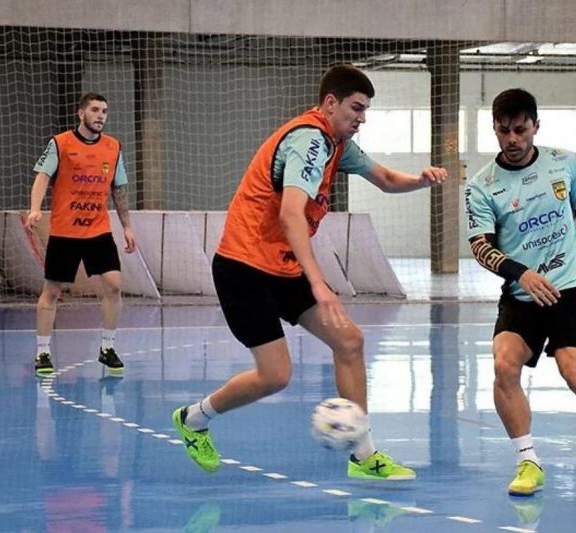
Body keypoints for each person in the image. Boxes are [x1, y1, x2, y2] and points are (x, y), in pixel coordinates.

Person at [171, 64, 447, 480]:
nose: (362, 118)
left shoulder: (338, 144)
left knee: (349, 342)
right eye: (356, 108)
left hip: (282, 266)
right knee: (275, 375)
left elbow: (387, 179)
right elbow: (290, 214)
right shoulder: (309, 141)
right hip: (244, 267)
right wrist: (318, 281)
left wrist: (420, 180)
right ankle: (194, 419)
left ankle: (364, 457)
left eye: (366, 110)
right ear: (331, 103)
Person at [464, 88, 576, 503]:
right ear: (495, 129)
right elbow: (481, 247)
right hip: (521, 292)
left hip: (570, 287)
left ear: (535, 126)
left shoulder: (563, 163)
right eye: (504, 131)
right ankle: (528, 462)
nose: (512, 139)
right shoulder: (481, 186)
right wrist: (521, 274)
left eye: (520, 130)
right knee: (504, 365)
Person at [27, 92, 137, 376]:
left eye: (104, 111)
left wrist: (126, 226)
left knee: (114, 285)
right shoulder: (60, 143)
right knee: (52, 291)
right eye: (95, 110)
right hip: (65, 231)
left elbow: (118, 189)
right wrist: (35, 209)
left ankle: (107, 348)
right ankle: (42, 352)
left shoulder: (113, 147)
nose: (100, 116)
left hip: (98, 230)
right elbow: (42, 177)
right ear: (81, 113)